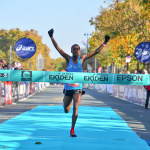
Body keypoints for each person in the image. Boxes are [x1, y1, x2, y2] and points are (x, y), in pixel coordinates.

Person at [48, 28, 110, 137]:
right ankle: (65, 101)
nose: (75, 50)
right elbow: (58, 49)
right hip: (68, 88)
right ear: (71, 51)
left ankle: (72, 129)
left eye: (77, 49)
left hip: (77, 88)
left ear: (79, 51)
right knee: (66, 110)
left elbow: (96, 52)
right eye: (74, 49)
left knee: (76, 107)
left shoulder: (82, 59)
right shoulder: (68, 58)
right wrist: (52, 37)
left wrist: (104, 43)